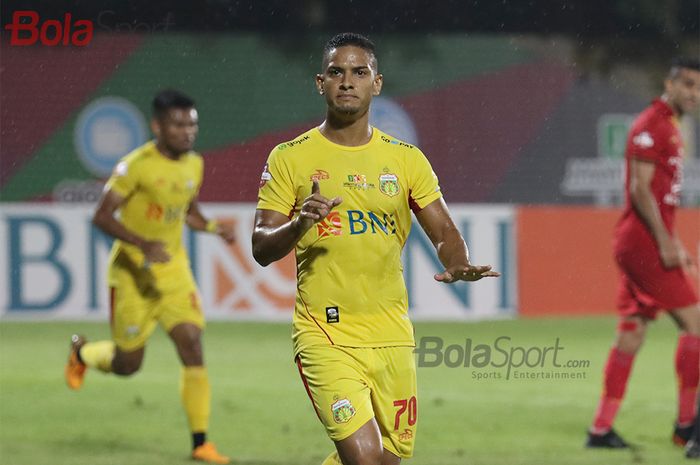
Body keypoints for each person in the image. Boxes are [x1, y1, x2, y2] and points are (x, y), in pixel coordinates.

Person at [252, 32, 500, 465]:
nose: (347, 81)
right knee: (364, 459)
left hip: (391, 337)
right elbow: (261, 246)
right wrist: (299, 224)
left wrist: (458, 263)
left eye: (359, 73)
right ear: (320, 83)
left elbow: (443, 230)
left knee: (385, 461)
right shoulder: (289, 157)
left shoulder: (406, 160)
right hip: (325, 332)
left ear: (377, 83)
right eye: (336, 72)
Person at [64, 90, 234, 464]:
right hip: (132, 275)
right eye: (178, 124)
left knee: (192, 342)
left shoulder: (195, 164)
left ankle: (201, 443)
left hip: (173, 270)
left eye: (192, 124)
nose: (188, 132)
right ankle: (82, 353)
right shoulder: (135, 166)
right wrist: (143, 244)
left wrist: (211, 227)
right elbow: (102, 216)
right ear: (157, 126)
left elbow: (186, 209)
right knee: (128, 364)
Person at [586, 58, 700, 449]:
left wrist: (675, 241)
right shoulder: (651, 124)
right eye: (687, 84)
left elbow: (660, 197)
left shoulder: (671, 126)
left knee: (632, 333)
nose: (694, 93)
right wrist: (666, 243)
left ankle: (600, 430)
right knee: (697, 325)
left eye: (699, 86)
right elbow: (639, 189)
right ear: (669, 83)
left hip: (645, 242)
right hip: (642, 244)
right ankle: (688, 428)